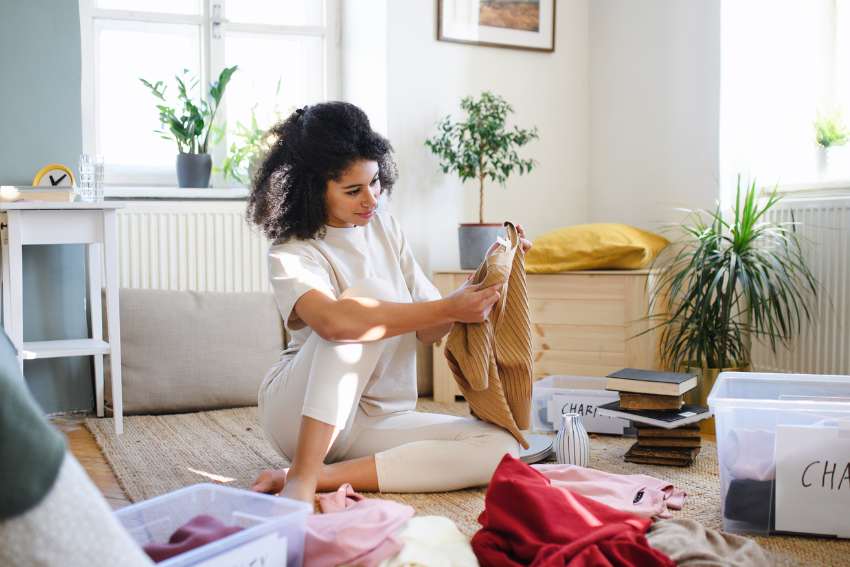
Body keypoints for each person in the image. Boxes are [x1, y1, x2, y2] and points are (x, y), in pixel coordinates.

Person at [246, 101, 532, 504]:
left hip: (380, 418)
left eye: (375, 182)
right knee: (370, 298)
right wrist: (447, 308)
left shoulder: (386, 229)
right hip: (299, 415)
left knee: (502, 447)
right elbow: (333, 323)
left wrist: (486, 279)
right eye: (353, 190)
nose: (372, 199)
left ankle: (321, 476)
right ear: (312, 190)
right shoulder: (291, 250)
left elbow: (431, 327)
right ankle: (302, 476)